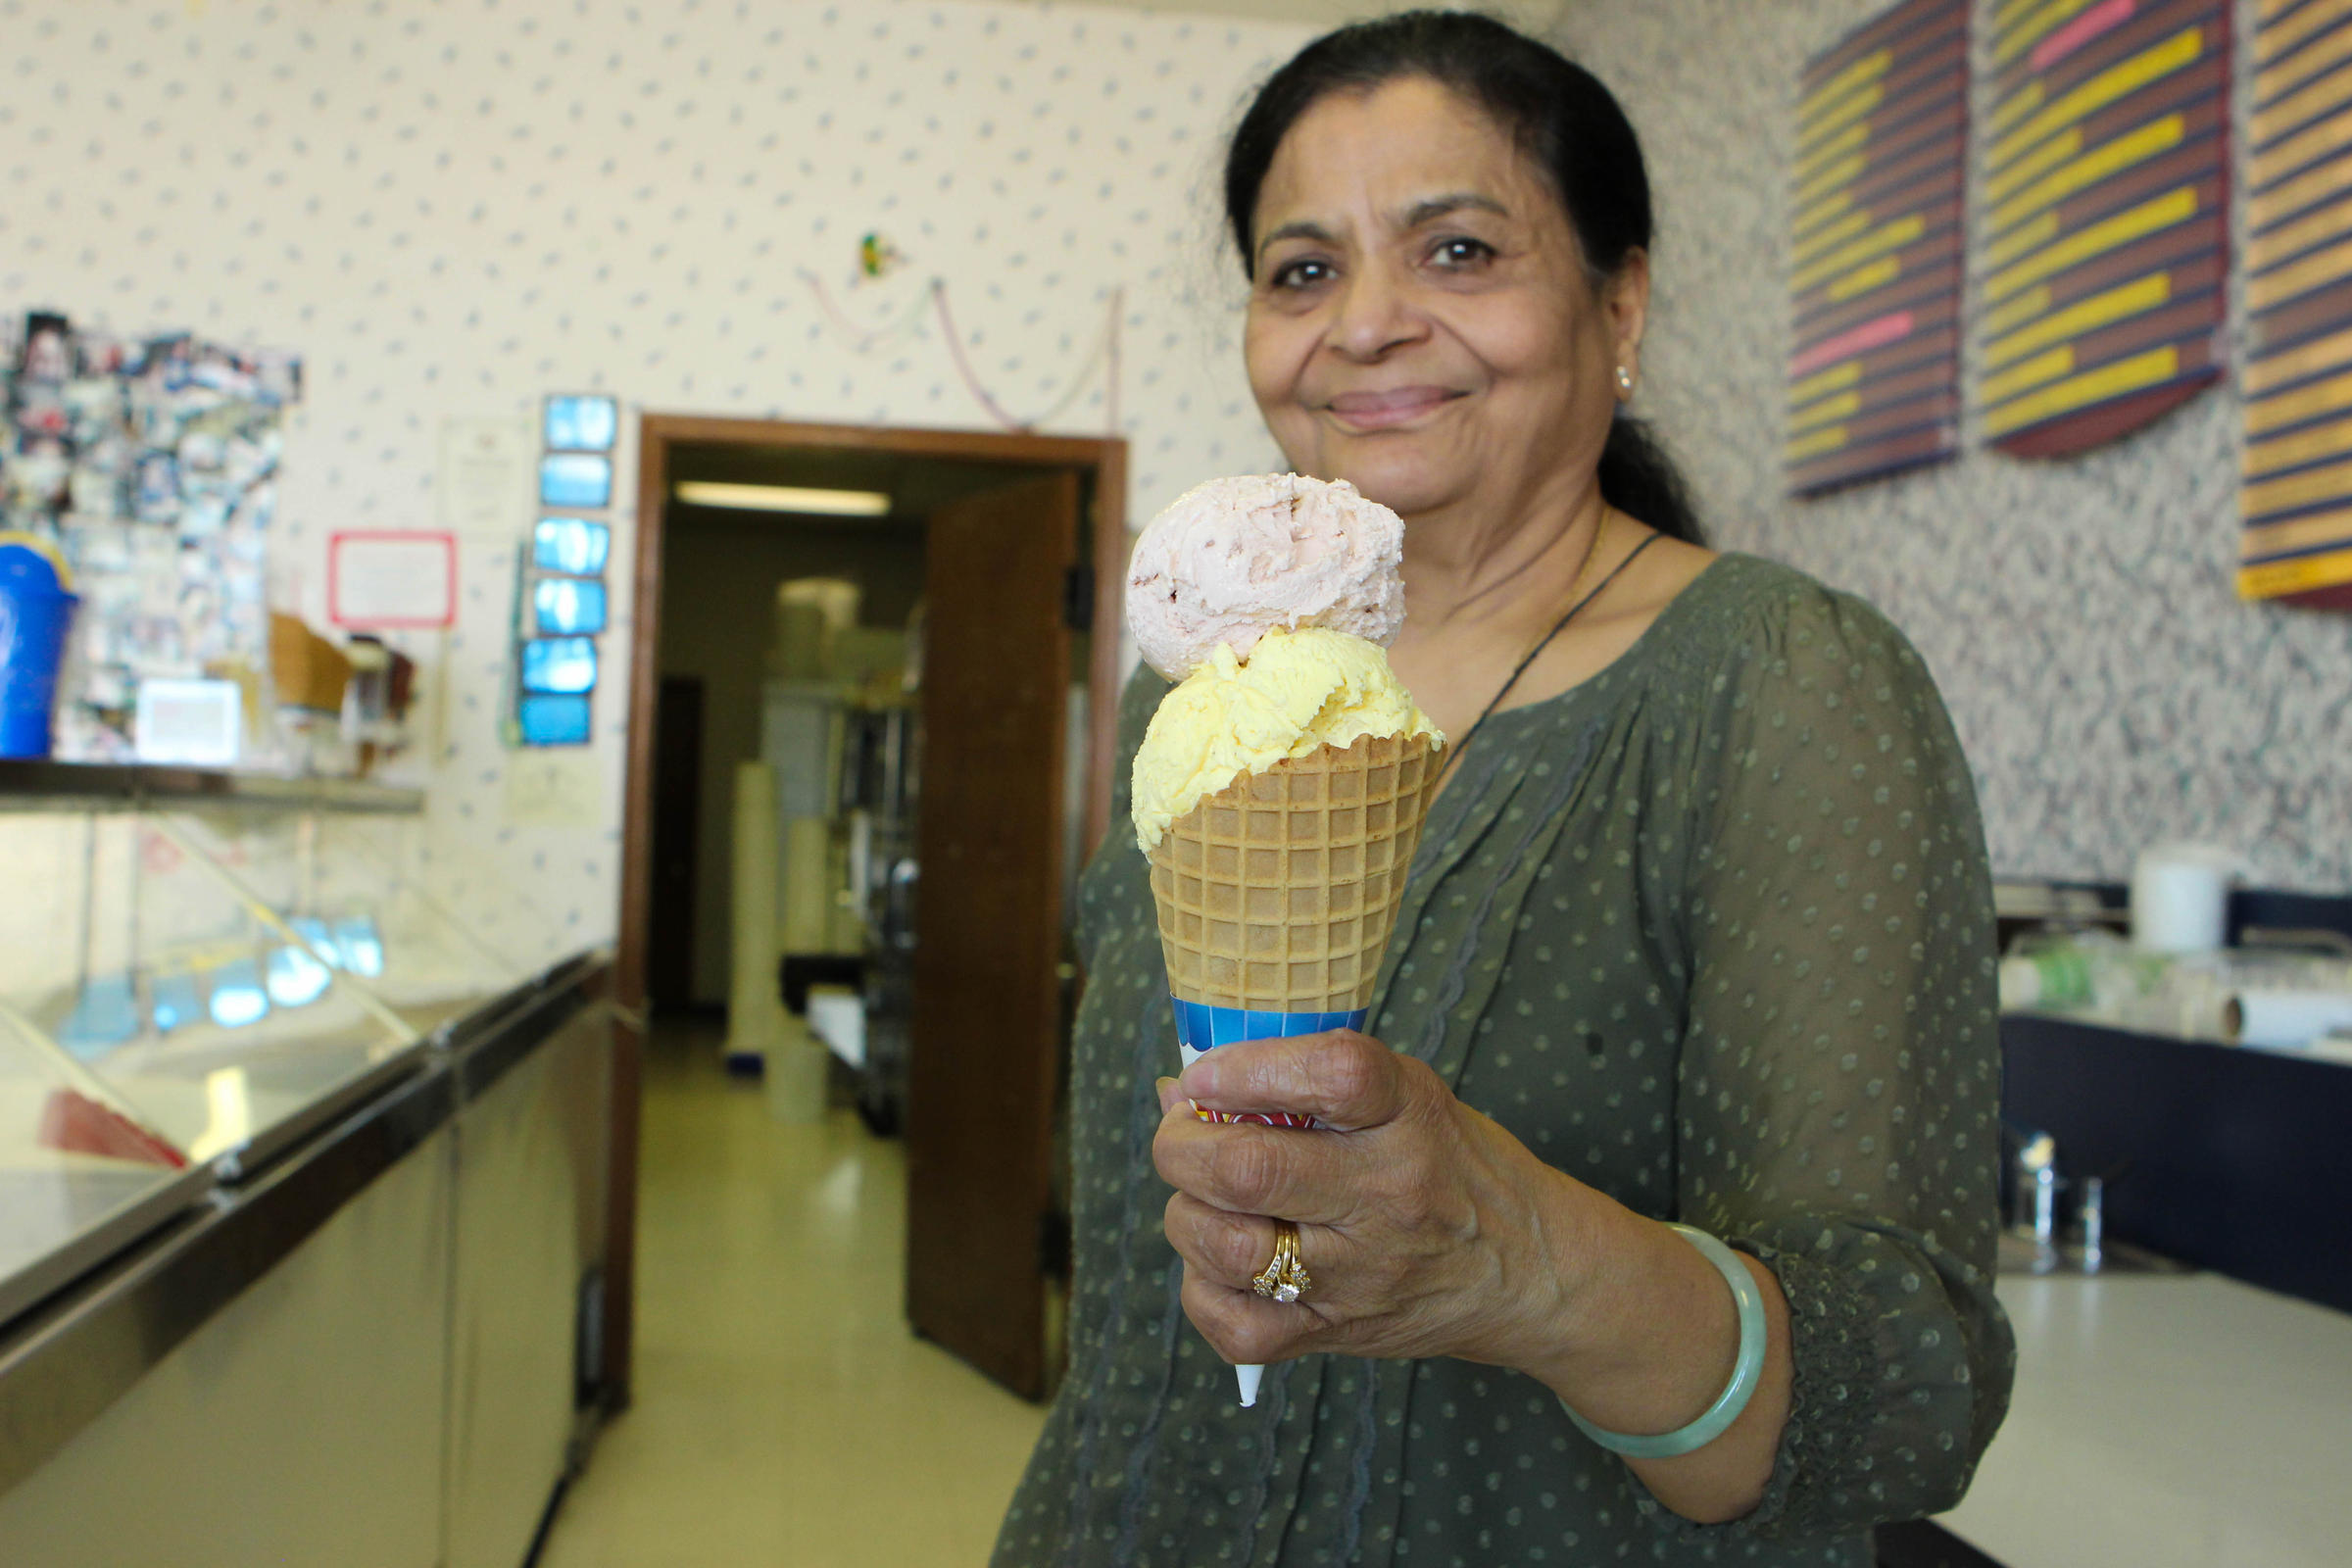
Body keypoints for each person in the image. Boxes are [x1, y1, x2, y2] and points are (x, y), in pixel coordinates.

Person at [994, 14, 2012, 1566]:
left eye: (1457, 249)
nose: (1367, 325)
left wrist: (1518, 1255)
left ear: (1622, 300)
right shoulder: (1198, 693)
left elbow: (1905, 1399)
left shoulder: (1783, 682)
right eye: (1303, 269)